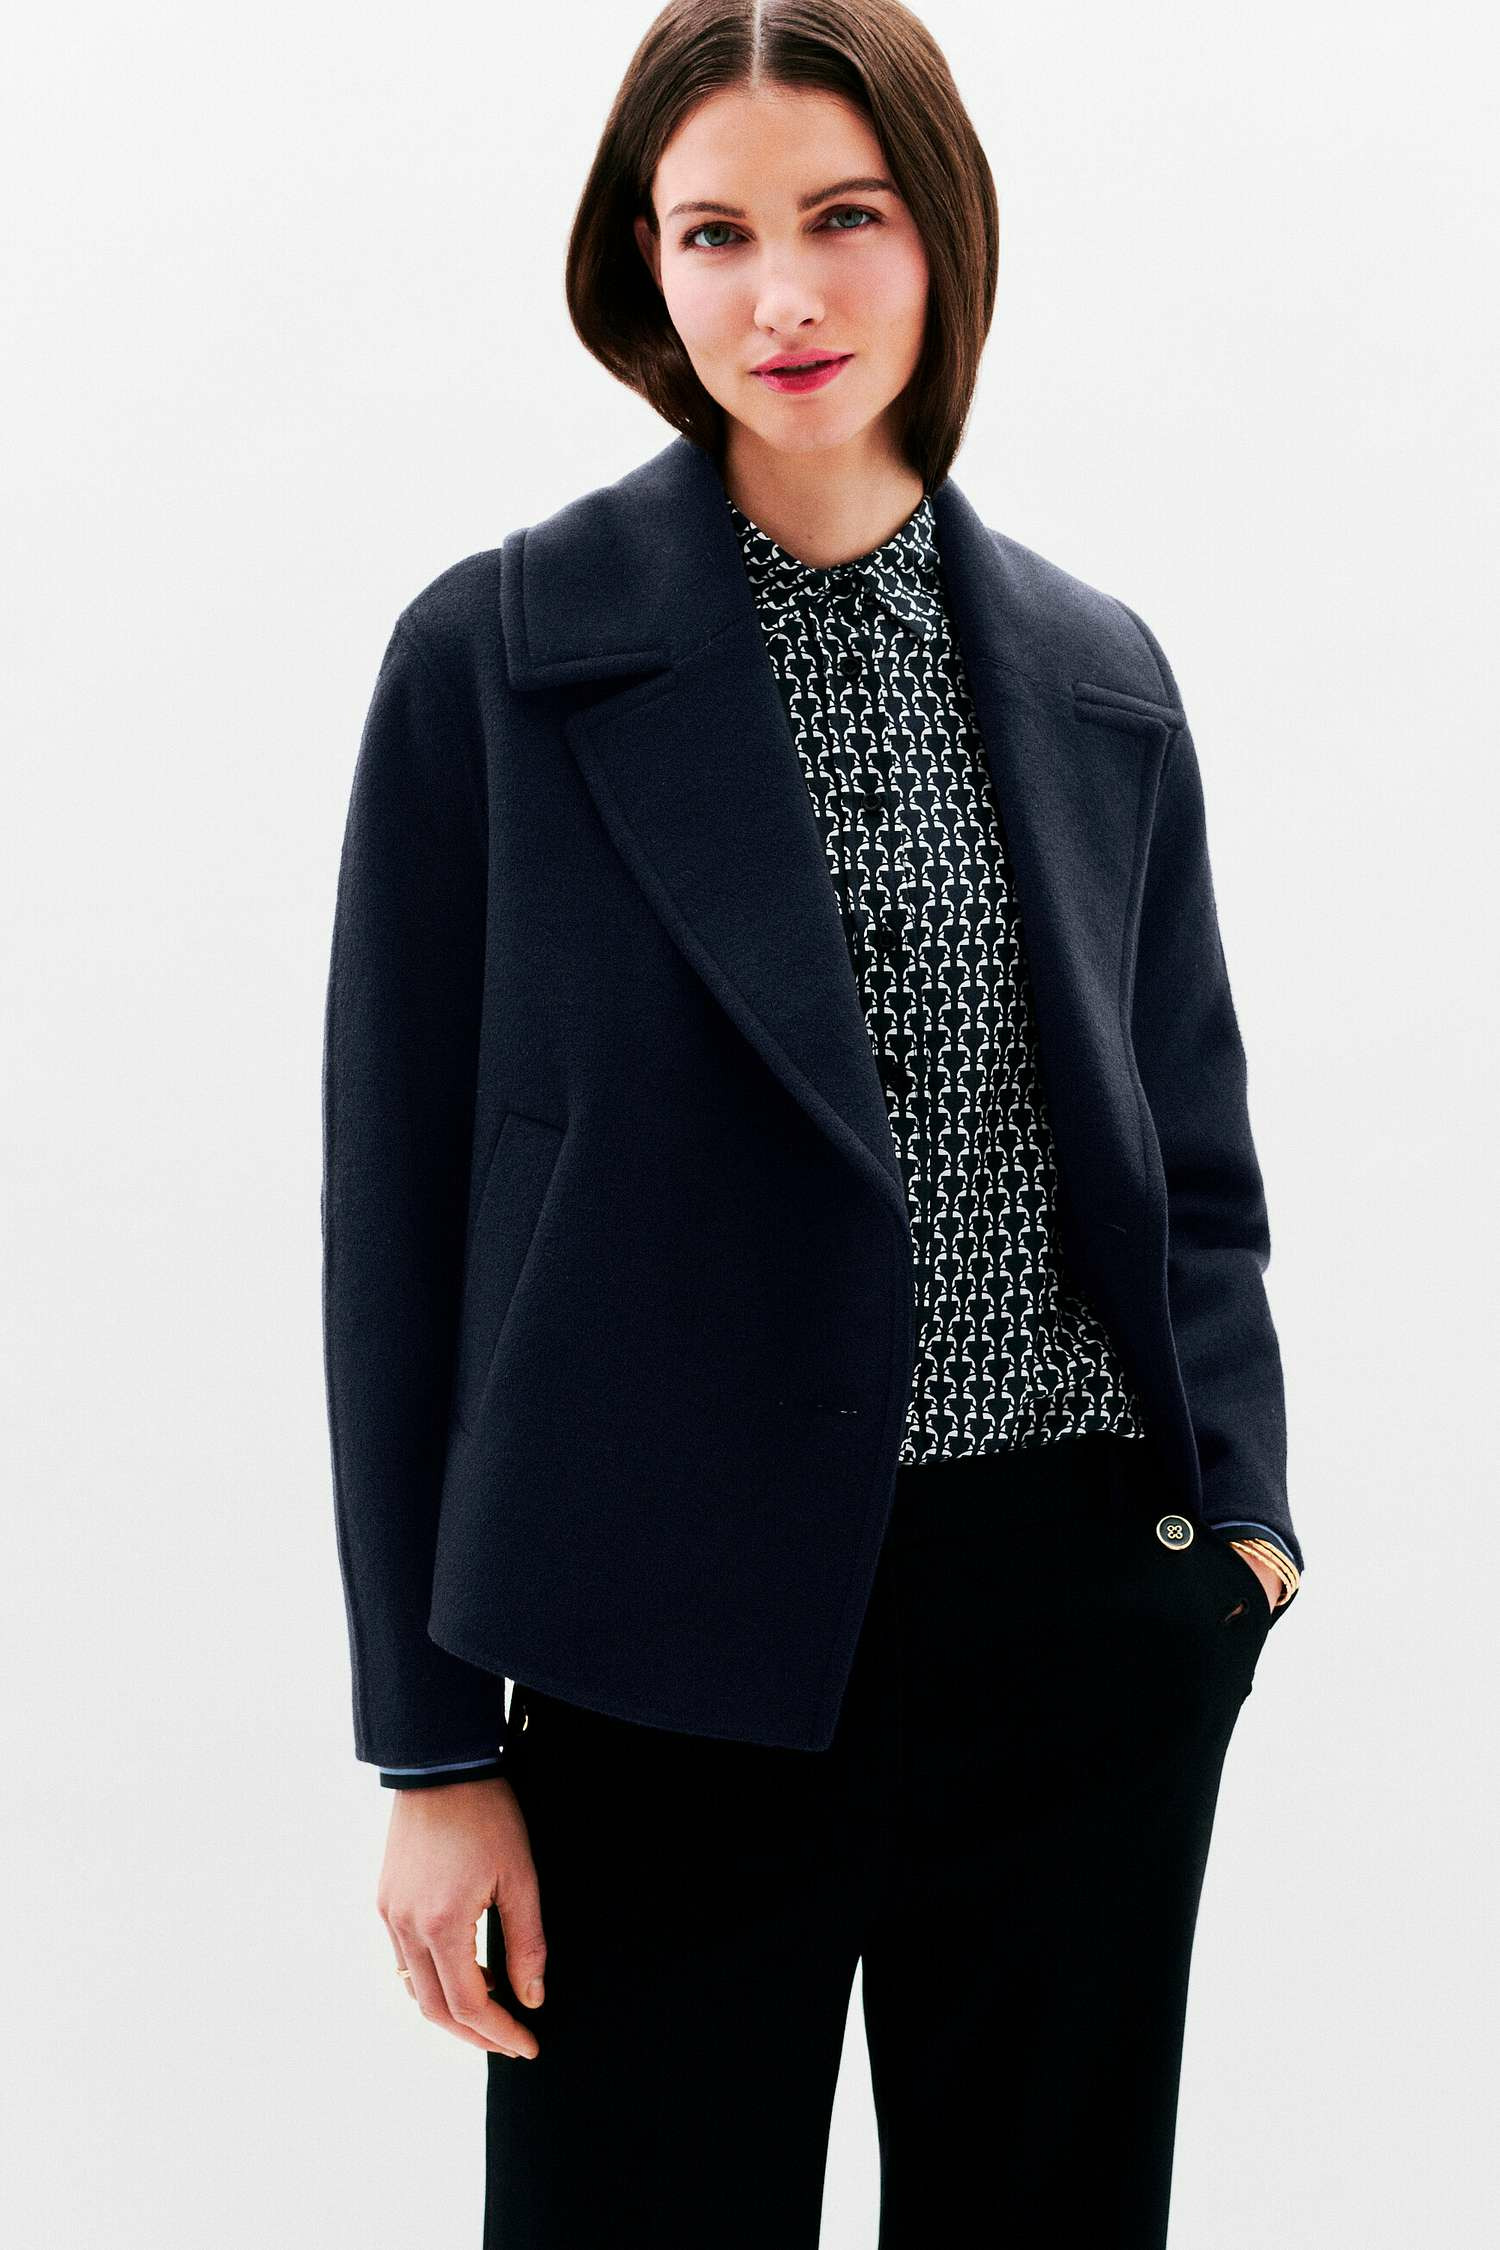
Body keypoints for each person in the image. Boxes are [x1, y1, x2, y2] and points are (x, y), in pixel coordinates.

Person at [319, 2, 1305, 2241]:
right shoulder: (496, 659)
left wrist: (1233, 1537)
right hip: (657, 1641)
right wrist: (433, 1745)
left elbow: (1195, 1170)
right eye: (715, 233)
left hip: (1070, 1633)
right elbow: (398, 1234)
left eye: (843, 217)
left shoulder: (1097, 672)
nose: (784, 294)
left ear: (940, 233)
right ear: (641, 266)